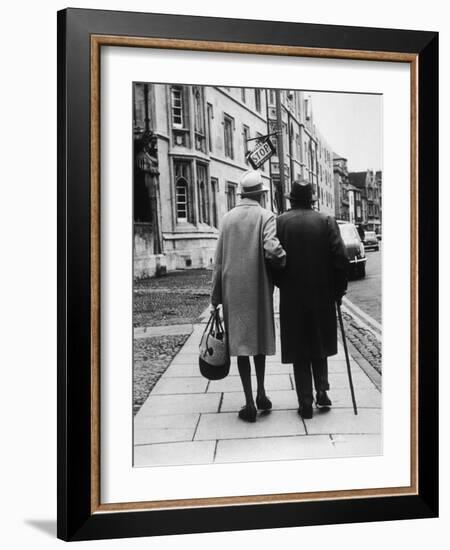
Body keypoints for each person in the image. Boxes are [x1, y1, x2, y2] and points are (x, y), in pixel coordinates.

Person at [211, 170, 286, 422]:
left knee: (241, 346)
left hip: (233, 291)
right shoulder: (266, 216)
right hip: (258, 288)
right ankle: (262, 394)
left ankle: (249, 403)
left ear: (242, 194)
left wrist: (215, 299)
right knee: (259, 345)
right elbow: (273, 250)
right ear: (261, 195)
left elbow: (218, 262)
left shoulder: (228, 219)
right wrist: (284, 264)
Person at [276, 180, 348, 419]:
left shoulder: (281, 223)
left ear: (292, 199)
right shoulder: (326, 221)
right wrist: (338, 290)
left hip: (292, 296)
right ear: (312, 200)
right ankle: (322, 391)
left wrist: (281, 283)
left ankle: (305, 400)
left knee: (299, 348)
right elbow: (340, 258)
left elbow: (273, 259)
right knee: (319, 342)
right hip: (322, 294)